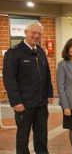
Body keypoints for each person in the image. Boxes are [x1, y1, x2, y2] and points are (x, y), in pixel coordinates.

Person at [2, 21, 54, 154]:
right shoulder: (13, 53)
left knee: (42, 136)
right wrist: (16, 102)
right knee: (22, 138)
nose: (36, 36)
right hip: (24, 104)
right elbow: (9, 79)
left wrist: (49, 93)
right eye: (33, 32)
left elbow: (47, 74)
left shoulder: (41, 51)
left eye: (39, 33)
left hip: (41, 103)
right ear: (25, 33)